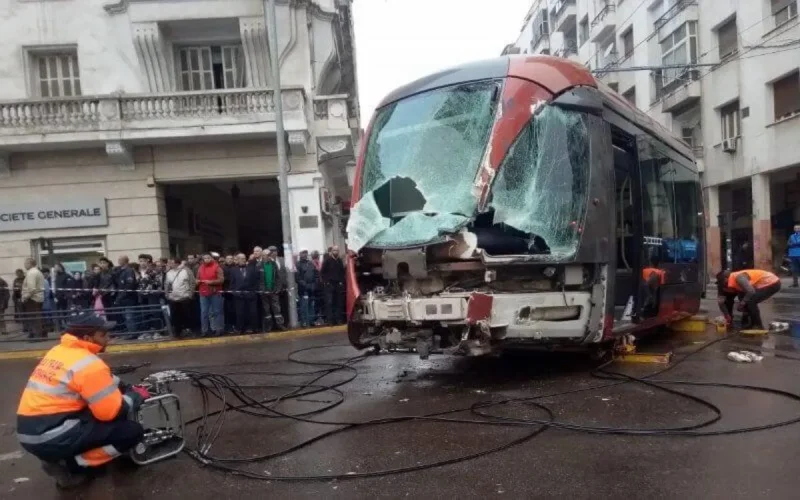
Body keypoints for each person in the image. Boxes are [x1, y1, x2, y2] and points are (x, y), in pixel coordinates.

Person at [16, 312, 148, 489]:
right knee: (131, 432)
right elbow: (110, 413)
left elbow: (102, 381)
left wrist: (125, 386)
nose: (109, 338)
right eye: (103, 335)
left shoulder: (60, 351)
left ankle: (62, 456)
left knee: (92, 413)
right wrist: (135, 396)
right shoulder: (91, 365)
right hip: (53, 436)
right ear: (88, 337)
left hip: (31, 433)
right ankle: (72, 465)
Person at [716, 269, 782, 330]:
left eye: (722, 281)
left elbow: (751, 291)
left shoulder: (739, 278)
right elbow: (721, 301)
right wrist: (726, 314)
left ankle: (758, 325)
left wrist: (742, 303)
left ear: (726, 279)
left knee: (751, 301)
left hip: (772, 282)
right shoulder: (728, 283)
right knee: (748, 301)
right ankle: (752, 323)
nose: (722, 284)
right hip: (762, 285)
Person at [256, 247, 286, 331]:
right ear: (263, 255)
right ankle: (269, 326)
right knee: (266, 310)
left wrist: (278, 288)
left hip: (273, 290)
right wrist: (261, 290)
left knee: (277, 309)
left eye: (269, 255)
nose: (269, 256)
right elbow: (257, 280)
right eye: (267, 255)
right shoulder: (258, 265)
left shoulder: (273, 264)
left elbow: (278, 278)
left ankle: (280, 324)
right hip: (264, 292)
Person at [229, 253, 259, 333]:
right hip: (239, 296)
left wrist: (253, 292)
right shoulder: (233, 270)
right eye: (241, 258)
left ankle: (253, 328)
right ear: (237, 260)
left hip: (251, 295)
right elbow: (232, 285)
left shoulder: (252, 269)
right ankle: (240, 329)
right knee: (240, 313)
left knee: (252, 313)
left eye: (244, 258)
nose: (243, 260)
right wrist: (236, 293)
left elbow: (256, 282)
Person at [197, 253, 225, 337]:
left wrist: (211, 282)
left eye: (208, 258)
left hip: (215, 292)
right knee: (204, 312)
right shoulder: (200, 268)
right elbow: (197, 278)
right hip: (203, 292)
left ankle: (218, 329)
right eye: (204, 258)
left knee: (217, 312)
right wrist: (197, 281)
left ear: (211, 258)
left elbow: (221, 280)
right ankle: (204, 331)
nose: (206, 259)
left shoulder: (217, 267)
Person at [167, 258, 195, 337]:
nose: (169, 264)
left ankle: (188, 330)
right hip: (173, 298)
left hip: (184, 297)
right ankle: (177, 331)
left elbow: (192, 282)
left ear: (177, 263)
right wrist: (167, 294)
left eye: (171, 263)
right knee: (175, 316)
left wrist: (190, 294)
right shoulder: (169, 272)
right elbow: (167, 284)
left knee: (186, 315)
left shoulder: (186, 271)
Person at [113, 256, 138, 337]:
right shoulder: (120, 270)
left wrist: (120, 297)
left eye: (120, 260)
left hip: (128, 298)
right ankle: (129, 332)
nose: (118, 261)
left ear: (125, 261)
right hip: (122, 298)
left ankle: (133, 333)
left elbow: (129, 285)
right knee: (125, 316)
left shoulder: (129, 271)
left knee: (129, 317)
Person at [21, 258, 46, 339]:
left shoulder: (31, 273)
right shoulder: (38, 272)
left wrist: (25, 296)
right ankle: (41, 333)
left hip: (32, 299)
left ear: (30, 264)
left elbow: (31, 288)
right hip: (38, 298)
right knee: (38, 317)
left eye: (25, 263)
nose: (24, 265)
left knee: (33, 318)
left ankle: (37, 335)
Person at [321, 246, 346, 325]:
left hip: (338, 284)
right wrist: (327, 282)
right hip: (330, 285)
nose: (336, 252)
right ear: (331, 251)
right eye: (334, 250)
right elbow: (322, 272)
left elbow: (342, 272)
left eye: (337, 250)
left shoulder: (339, 261)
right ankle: (330, 320)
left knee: (338, 303)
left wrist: (341, 282)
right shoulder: (327, 260)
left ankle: (338, 320)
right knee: (329, 302)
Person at [296, 250, 319, 328]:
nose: (305, 255)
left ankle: (311, 320)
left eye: (306, 253)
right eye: (303, 253)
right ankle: (304, 322)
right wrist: (305, 285)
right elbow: (298, 278)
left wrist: (314, 284)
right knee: (304, 306)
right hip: (303, 289)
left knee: (311, 305)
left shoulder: (311, 263)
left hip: (312, 288)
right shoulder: (298, 264)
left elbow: (316, 275)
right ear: (300, 254)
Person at [788, 224, 800, 288]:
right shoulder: (791, 236)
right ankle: (795, 283)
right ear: (794, 229)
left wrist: (794, 244)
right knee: (794, 269)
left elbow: (794, 244)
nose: (797, 229)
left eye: (798, 228)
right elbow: (788, 244)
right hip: (792, 255)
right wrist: (796, 244)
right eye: (795, 228)